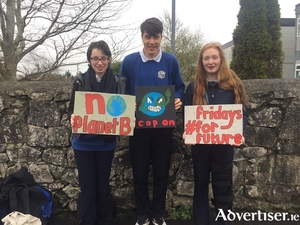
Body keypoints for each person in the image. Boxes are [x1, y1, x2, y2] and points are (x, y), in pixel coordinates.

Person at [119, 17, 185, 225]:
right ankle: (142, 215)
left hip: (163, 129)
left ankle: (158, 215)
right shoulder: (129, 61)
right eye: (148, 37)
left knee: (161, 174)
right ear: (142, 37)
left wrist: (178, 99)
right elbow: (123, 91)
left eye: (156, 37)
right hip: (138, 129)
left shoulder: (170, 61)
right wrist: (130, 104)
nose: (152, 42)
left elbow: (180, 87)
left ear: (161, 37)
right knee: (138, 174)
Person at [183, 42, 248, 225]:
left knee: (223, 189)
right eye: (206, 58)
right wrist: (187, 132)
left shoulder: (234, 85)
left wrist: (240, 132)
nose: (210, 62)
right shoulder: (193, 86)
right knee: (200, 187)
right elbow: (187, 113)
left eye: (214, 57)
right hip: (200, 147)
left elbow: (243, 112)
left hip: (224, 147)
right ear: (201, 62)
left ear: (221, 59)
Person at [67, 40, 118, 225]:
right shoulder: (80, 80)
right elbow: (71, 108)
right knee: (87, 186)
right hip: (83, 144)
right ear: (89, 60)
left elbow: (122, 109)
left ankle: (106, 219)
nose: (99, 62)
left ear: (109, 59)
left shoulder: (118, 82)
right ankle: (87, 220)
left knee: (103, 185)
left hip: (106, 143)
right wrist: (72, 117)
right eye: (95, 58)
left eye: (103, 58)